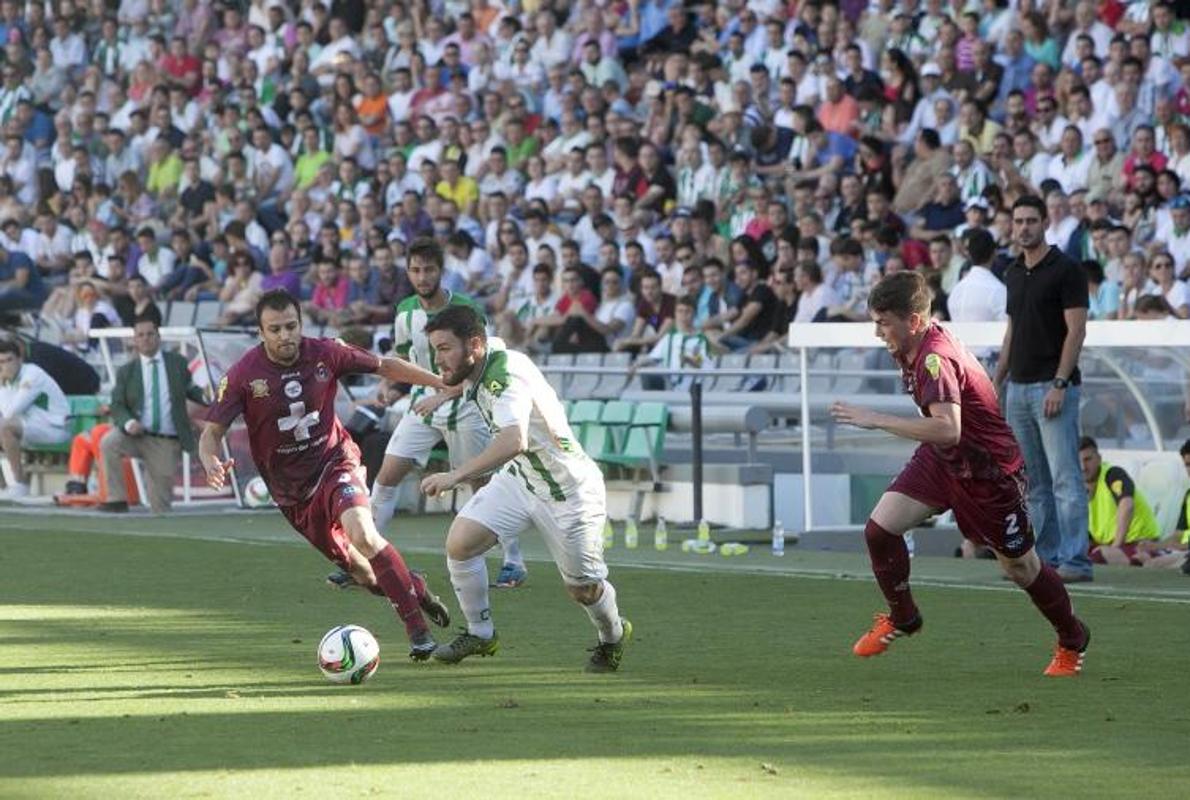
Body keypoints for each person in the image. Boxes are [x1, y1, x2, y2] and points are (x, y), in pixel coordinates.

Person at [831, 271, 1090, 677]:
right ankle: (903, 616)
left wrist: (875, 419)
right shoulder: (913, 342)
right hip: (943, 459)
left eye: (883, 322)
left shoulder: (934, 358)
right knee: (880, 529)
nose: (877, 332)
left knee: (1020, 567)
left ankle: (1073, 638)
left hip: (990, 474)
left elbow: (948, 427)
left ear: (913, 320)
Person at [200, 289, 451, 661]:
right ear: (260, 332)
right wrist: (210, 462)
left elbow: (385, 365)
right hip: (292, 492)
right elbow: (211, 434)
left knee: (364, 534)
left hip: (335, 462)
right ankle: (415, 587)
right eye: (275, 329)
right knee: (366, 576)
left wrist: (441, 382)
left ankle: (419, 635)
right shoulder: (241, 376)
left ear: (301, 323)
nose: (285, 335)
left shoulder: (326, 352)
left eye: (291, 326)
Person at [420, 304, 631, 672]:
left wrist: (455, 476)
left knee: (583, 589)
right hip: (522, 478)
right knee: (461, 543)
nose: (438, 360)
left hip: (567, 491)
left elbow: (513, 440)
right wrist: (444, 392)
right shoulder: (486, 356)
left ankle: (612, 636)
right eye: (435, 349)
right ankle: (481, 634)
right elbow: (468, 377)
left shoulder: (506, 377)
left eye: (443, 349)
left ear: (473, 345)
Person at [367, 238, 528, 589]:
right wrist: (392, 386)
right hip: (424, 402)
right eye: (415, 270)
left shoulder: (466, 310)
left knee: (482, 485)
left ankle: (514, 560)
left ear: (441, 271)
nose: (422, 277)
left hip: (467, 404)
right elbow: (407, 359)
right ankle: (366, 559)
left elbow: (484, 362)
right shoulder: (405, 311)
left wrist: (445, 394)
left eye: (428, 269)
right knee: (387, 475)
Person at [995, 194, 1094, 583]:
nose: (1023, 227)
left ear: (1044, 224)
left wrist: (1059, 382)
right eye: (1018, 221)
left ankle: (1076, 561)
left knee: (1066, 478)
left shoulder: (1066, 269)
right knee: (1034, 482)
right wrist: (998, 377)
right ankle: (1044, 560)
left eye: (1030, 221)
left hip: (1053, 388)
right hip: (1018, 389)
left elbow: (1077, 330)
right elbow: (1013, 329)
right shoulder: (1014, 272)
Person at [99, 315, 209, 513]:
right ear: (134, 340)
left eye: (150, 334)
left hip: (165, 440)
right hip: (135, 435)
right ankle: (117, 498)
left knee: (161, 505)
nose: (146, 338)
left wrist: (209, 396)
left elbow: (191, 390)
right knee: (108, 442)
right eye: (140, 335)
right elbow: (116, 404)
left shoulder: (177, 363)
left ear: (159, 337)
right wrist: (129, 422)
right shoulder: (127, 371)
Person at [0, 337, 68, 499]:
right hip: (32, 428)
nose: (6, 365)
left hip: (56, 429)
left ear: (20, 359)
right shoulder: (6, 381)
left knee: (6, 428)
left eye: (9, 360)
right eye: (1, 362)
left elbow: (11, 412)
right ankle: (2, 487)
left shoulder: (32, 374)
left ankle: (19, 484)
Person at [1078, 437, 1161, 566]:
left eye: (1088, 459)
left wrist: (1115, 547)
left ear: (1099, 459)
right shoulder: (1077, 488)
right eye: (1079, 461)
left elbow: (1127, 505)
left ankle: (1141, 559)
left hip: (1138, 542)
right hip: (1108, 544)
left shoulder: (1113, 474)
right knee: (1073, 556)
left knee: (1096, 558)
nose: (1083, 467)